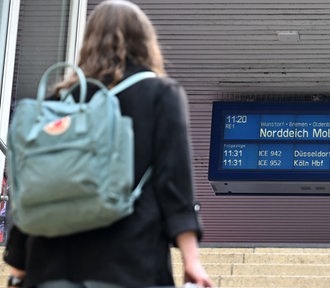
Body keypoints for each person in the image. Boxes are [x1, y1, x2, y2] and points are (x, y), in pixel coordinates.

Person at [3, 1, 214, 287]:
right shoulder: (160, 94)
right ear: (145, 42)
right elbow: (175, 182)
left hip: (50, 266)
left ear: (88, 42)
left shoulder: (56, 105)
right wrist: (192, 261)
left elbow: (30, 185)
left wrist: (18, 267)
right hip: (130, 264)